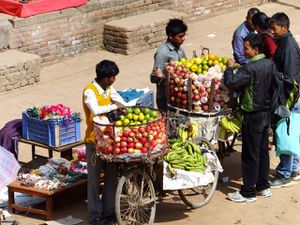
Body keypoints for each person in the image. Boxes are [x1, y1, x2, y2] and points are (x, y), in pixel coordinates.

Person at [224, 34, 278, 202]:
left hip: (252, 115)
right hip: (266, 114)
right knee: (262, 151)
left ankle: (248, 192)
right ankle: (263, 186)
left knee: (250, 154)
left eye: (246, 48)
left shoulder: (249, 69)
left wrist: (229, 68)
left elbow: (232, 83)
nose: (243, 50)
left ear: (255, 50)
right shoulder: (270, 64)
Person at [83, 60, 127, 225]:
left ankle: (109, 212)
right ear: (105, 78)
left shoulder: (109, 89)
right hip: (94, 141)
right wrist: (111, 107)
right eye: (112, 77)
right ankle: (95, 216)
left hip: (109, 140)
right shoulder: (90, 91)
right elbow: (95, 110)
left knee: (111, 177)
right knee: (94, 180)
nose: (114, 80)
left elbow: (121, 101)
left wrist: (130, 106)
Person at [269, 12, 300, 188]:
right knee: (292, 134)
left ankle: (284, 174)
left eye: (274, 29)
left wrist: (284, 104)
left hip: (287, 99)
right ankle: (293, 170)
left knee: (285, 135)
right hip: (290, 98)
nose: (272, 33)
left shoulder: (288, 48)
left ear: (284, 28)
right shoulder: (284, 43)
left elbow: (290, 79)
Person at [150, 18, 187, 111]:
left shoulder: (179, 49)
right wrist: (160, 76)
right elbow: (153, 78)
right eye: (180, 36)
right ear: (170, 36)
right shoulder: (162, 53)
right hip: (166, 99)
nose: (183, 39)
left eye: (184, 36)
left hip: (178, 97)